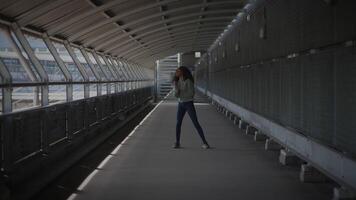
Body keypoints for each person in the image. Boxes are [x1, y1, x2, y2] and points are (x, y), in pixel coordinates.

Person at [172, 66, 210, 149]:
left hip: (188, 104)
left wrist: (180, 92)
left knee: (195, 122)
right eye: (176, 71)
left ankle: (205, 142)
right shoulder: (177, 81)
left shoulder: (188, 81)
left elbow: (191, 94)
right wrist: (176, 90)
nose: (176, 72)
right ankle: (177, 142)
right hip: (180, 104)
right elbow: (175, 95)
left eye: (178, 71)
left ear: (182, 72)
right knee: (178, 123)